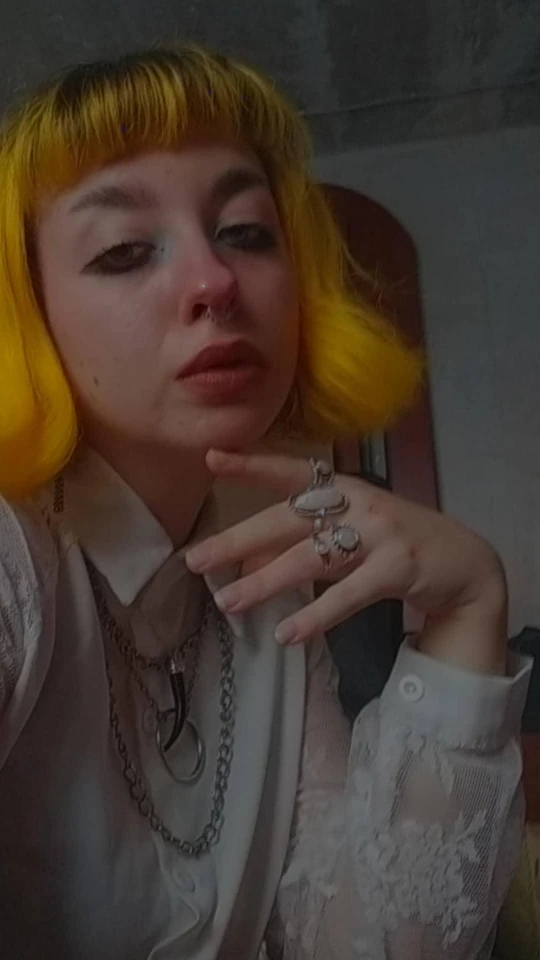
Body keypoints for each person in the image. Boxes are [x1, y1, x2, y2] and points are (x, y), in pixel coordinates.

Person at [0, 46, 531, 960]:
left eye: (245, 231)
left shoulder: (268, 578)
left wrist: (470, 609)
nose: (215, 282)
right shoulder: (14, 558)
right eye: (124, 250)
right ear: (27, 312)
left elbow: (365, 943)